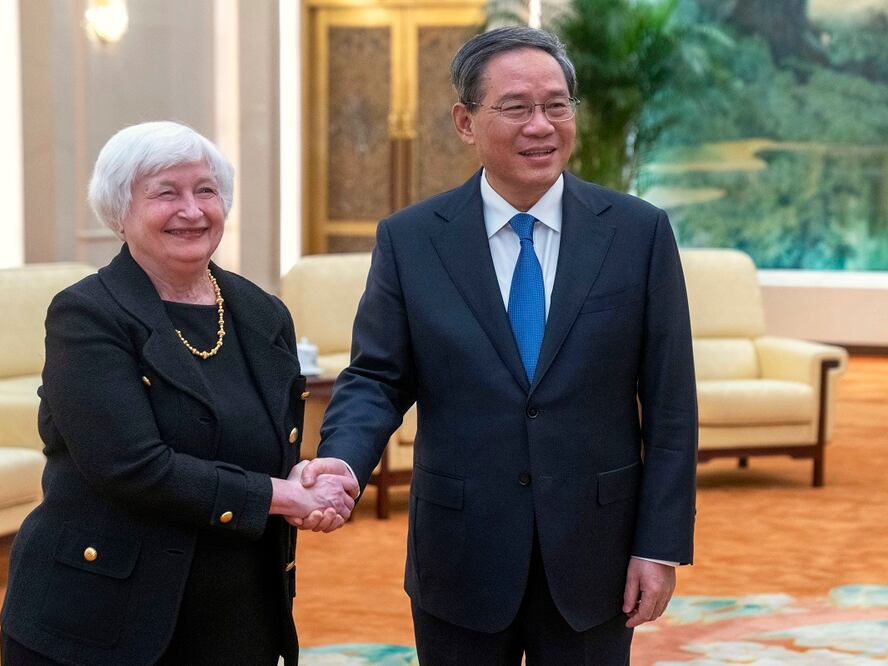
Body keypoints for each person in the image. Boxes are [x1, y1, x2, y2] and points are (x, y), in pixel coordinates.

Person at [298, 26, 698, 664]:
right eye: (515, 107)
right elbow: (377, 377)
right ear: (465, 121)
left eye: (556, 105)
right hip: (461, 552)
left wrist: (660, 544)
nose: (540, 125)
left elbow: (672, 404)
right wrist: (343, 463)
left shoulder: (637, 232)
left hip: (596, 553)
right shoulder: (412, 239)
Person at [0, 121, 358, 666]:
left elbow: (265, 446)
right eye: (166, 193)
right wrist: (283, 497)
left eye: (206, 191)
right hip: (102, 623)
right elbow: (131, 466)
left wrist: (305, 475)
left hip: (239, 617)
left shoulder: (262, 313)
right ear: (120, 212)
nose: (191, 210)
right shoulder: (87, 315)